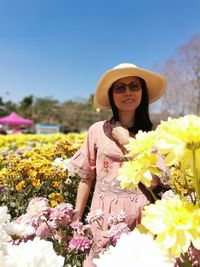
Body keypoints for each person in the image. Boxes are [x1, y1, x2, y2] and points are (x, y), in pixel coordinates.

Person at [69, 63, 167, 266]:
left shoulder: (156, 134)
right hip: (102, 215)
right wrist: (76, 217)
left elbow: (154, 183)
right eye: (120, 88)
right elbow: (87, 177)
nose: (127, 92)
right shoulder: (97, 130)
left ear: (143, 92)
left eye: (134, 86)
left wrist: (127, 142)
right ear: (112, 95)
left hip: (142, 218)